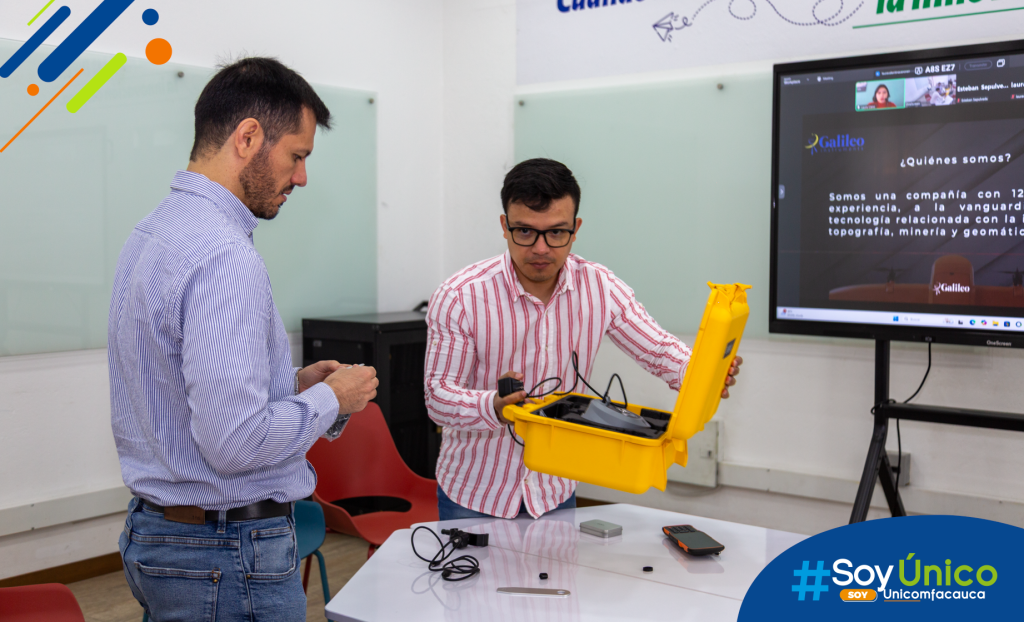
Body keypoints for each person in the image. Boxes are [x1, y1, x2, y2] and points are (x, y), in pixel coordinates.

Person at [108, 57, 379, 621]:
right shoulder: (224, 256)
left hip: (164, 538)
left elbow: (176, 386)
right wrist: (335, 398)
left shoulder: (153, 231)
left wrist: (294, 384)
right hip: (224, 555)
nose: (301, 177)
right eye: (297, 156)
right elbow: (233, 444)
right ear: (249, 137)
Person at [424, 158, 742, 520]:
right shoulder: (460, 296)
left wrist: (703, 373)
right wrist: (495, 406)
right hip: (476, 491)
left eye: (556, 232)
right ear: (504, 225)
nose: (541, 248)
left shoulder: (600, 287)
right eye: (525, 232)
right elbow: (438, 396)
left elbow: (659, 350)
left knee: (556, 580)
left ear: (575, 228)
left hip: (554, 488)